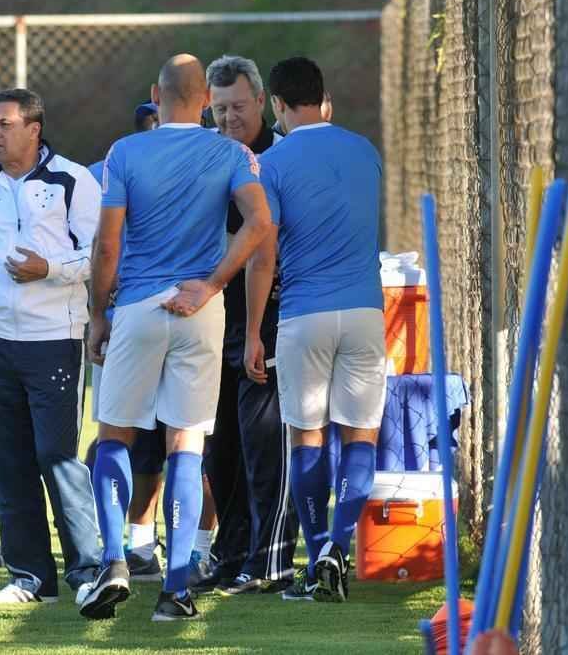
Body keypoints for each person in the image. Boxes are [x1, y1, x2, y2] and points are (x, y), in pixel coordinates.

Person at [80, 55, 272, 623]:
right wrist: (213, 283)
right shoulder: (231, 153)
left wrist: (98, 313)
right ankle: (176, 588)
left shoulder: (125, 152)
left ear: (154, 93)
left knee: (113, 436)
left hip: (139, 306)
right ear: (207, 100)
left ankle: (115, 561)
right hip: (200, 310)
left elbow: (108, 245)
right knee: (186, 445)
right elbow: (260, 223)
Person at [0, 88, 101, 604]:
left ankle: (87, 573)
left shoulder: (73, 179)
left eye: (5, 124)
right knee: (7, 459)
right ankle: (30, 578)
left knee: (56, 457)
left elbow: (100, 254)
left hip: (55, 338)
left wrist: (47, 268)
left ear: (34, 128)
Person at [246, 56, 385, 603]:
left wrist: (254, 330)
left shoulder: (273, 164)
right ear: (324, 99)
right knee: (360, 434)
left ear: (278, 104)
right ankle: (338, 549)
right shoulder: (365, 151)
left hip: (304, 314)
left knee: (306, 436)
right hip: (365, 311)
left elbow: (264, 256)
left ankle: (317, 554)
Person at [192, 55, 299, 596]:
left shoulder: (284, 157)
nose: (230, 118)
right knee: (220, 447)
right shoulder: (208, 156)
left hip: (270, 317)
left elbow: (281, 239)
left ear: (261, 101)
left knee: (264, 442)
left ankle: (267, 558)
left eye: (238, 106)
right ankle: (229, 552)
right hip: (214, 316)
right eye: (219, 109)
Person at [85, 100, 165, 582]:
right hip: (124, 319)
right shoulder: (102, 173)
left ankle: (139, 544)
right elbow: (94, 244)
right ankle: (117, 540)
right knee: (118, 433)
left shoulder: (120, 165)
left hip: (144, 316)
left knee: (160, 440)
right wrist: (98, 307)